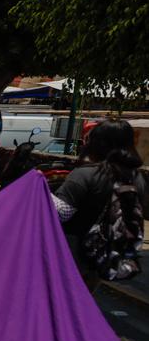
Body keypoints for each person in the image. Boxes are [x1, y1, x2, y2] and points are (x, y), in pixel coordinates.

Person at [53, 119, 147, 289]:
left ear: (96, 144)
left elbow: (62, 213)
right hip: (104, 257)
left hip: (72, 256)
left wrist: (42, 191)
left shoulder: (84, 175)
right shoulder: (137, 178)